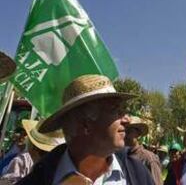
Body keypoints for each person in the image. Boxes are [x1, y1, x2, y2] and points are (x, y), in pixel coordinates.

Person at [17, 74, 155, 185]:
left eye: (124, 110)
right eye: (116, 110)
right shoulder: (39, 179)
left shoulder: (137, 173)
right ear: (85, 124)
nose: (127, 120)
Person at [1, 119, 65, 183]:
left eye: (24, 134)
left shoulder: (21, 161)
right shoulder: (67, 173)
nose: (20, 136)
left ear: (32, 148)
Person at [125, 116, 163, 185]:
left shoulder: (149, 159)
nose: (125, 134)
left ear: (138, 134)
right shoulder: (120, 157)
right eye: (124, 130)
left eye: (129, 130)